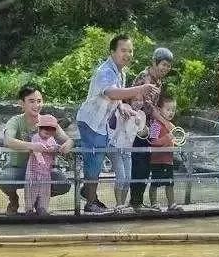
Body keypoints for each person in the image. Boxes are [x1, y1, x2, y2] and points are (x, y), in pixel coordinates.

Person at [74, 34, 159, 214]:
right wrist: (140, 89)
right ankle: (90, 204)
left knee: (97, 160)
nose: (127, 54)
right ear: (112, 52)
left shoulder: (120, 72)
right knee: (94, 161)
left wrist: (122, 106)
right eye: (123, 50)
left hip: (101, 124)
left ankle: (89, 194)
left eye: (130, 50)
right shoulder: (105, 71)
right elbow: (111, 92)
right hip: (91, 122)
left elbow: (115, 97)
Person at [0, 84, 73, 213]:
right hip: (20, 168)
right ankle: (13, 199)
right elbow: (7, 140)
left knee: (64, 184)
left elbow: (68, 139)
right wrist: (32, 146)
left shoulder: (48, 120)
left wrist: (68, 144)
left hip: (44, 169)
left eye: (39, 101)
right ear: (22, 103)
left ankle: (39, 200)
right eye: (31, 101)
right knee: (6, 179)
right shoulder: (15, 121)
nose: (36, 105)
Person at [127, 47, 173, 212]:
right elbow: (148, 106)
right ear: (154, 62)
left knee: (148, 162)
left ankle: (138, 201)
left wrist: (161, 125)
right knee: (140, 163)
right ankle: (135, 202)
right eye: (164, 65)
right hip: (138, 125)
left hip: (150, 126)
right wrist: (166, 123)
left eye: (168, 66)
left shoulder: (159, 81)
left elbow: (156, 108)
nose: (166, 69)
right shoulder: (144, 78)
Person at [107, 102, 146, 211]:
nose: (138, 102)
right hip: (118, 147)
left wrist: (140, 124)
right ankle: (120, 204)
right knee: (122, 177)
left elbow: (143, 133)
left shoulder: (143, 114)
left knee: (129, 178)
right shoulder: (124, 108)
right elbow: (118, 124)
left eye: (140, 100)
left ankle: (127, 204)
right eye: (136, 99)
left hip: (131, 149)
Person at [147, 94, 181, 212]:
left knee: (170, 183)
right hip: (157, 160)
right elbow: (153, 142)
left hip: (168, 160)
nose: (171, 112)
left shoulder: (172, 127)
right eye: (168, 109)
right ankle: (154, 204)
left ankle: (171, 204)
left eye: (173, 110)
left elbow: (174, 142)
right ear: (160, 110)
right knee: (155, 183)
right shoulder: (155, 125)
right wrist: (168, 137)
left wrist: (178, 141)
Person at [24, 115, 63, 215]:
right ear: (39, 129)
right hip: (34, 170)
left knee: (45, 191)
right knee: (31, 190)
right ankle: (29, 209)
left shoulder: (51, 139)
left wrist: (54, 149)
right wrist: (41, 159)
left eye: (50, 133)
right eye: (45, 133)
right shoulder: (35, 138)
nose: (47, 135)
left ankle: (42, 208)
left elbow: (55, 148)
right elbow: (36, 151)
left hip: (46, 171)